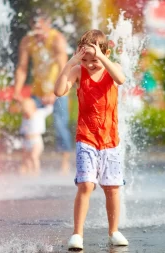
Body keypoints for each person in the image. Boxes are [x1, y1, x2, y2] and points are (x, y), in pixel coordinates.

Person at [54, 29, 129, 250]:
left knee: (112, 188)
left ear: (105, 53)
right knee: (86, 185)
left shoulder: (112, 70)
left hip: (110, 140)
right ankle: (77, 234)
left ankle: (113, 230)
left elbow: (121, 79)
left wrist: (102, 58)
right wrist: (71, 62)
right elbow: (58, 91)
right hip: (86, 137)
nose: (90, 64)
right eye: (85, 59)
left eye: (94, 59)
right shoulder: (78, 71)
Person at [13, 10, 72, 174]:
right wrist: (17, 90)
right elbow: (22, 67)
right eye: (35, 28)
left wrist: (55, 93)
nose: (38, 32)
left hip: (59, 91)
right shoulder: (28, 41)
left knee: (60, 126)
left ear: (47, 24)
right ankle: (27, 161)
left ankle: (65, 161)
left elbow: (64, 69)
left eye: (40, 28)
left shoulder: (57, 40)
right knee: (28, 120)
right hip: (38, 91)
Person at [18, 98, 53, 176]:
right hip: (26, 141)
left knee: (34, 156)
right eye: (24, 110)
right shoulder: (25, 117)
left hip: (36, 140)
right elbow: (23, 129)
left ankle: (37, 172)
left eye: (27, 110)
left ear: (33, 107)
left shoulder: (39, 113)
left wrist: (49, 102)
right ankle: (29, 172)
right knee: (26, 158)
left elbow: (49, 110)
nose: (26, 113)